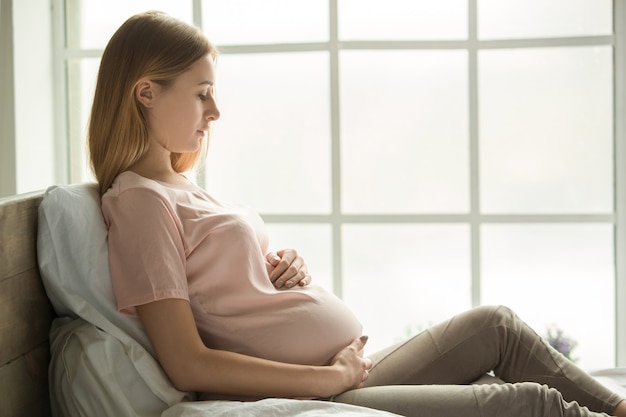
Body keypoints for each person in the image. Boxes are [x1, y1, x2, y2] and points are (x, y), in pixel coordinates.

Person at [88, 10, 626, 417]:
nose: (216, 111)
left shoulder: (181, 188)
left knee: (497, 328)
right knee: (526, 402)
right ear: (146, 93)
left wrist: (278, 268)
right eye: (202, 93)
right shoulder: (140, 202)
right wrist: (324, 382)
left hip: (345, 369)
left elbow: (225, 286)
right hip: (320, 383)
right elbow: (187, 362)